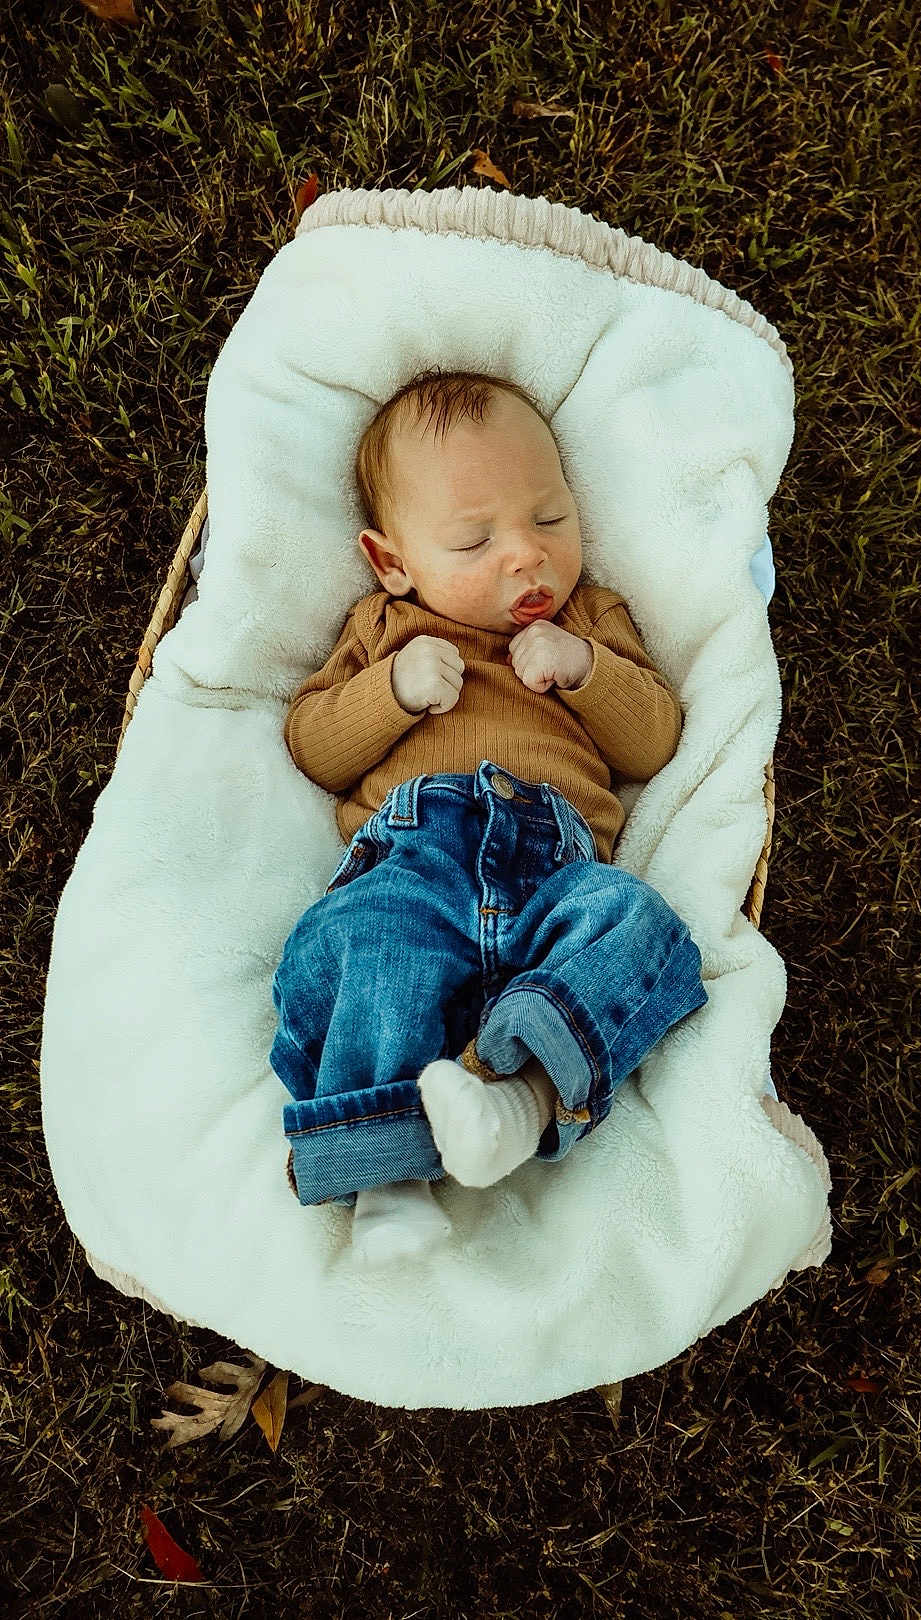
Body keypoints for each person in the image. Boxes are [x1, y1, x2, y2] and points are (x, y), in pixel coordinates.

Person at [269, 368, 709, 1265]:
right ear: (393, 562)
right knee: (366, 941)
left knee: (646, 930)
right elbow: (314, 744)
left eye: (550, 518)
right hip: (418, 851)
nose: (527, 555)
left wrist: (586, 669)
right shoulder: (382, 628)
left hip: (556, 859)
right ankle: (388, 1180)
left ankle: (517, 1104)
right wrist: (390, 693)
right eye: (474, 540)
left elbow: (654, 740)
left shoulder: (592, 616)